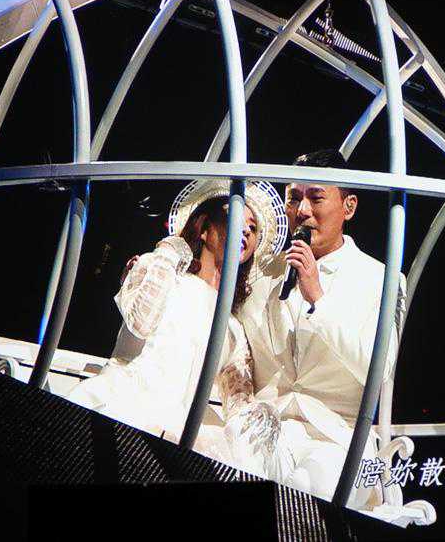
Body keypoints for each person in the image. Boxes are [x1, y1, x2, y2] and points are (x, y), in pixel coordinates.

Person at [217, 148, 408, 509]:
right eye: (294, 198)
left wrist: (318, 297)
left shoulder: (382, 280)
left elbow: (378, 370)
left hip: (337, 439)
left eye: (316, 198)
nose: (302, 210)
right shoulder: (260, 271)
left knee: (305, 492)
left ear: (348, 207)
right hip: (263, 428)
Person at [66, 180, 288, 445]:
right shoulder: (161, 270)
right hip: (119, 404)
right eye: (237, 218)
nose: (246, 231)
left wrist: (259, 416)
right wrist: (168, 252)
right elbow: (140, 323)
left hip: (172, 431)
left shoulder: (233, 328)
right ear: (204, 227)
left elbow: (238, 400)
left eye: (253, 227)